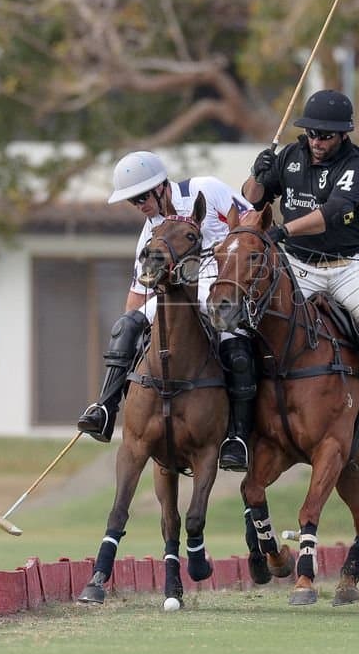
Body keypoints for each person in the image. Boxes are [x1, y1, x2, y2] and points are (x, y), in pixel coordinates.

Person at [242, 89, 359, 468]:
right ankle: (241, 429)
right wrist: (256, 174)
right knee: (249, 327)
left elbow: (334, 211)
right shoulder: (290, 156)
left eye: (326, 136)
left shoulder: (358, 165)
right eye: (312, 134)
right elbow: (253, 200)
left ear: (343, 135)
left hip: (353, 264)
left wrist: (285, 232)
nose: (317, 142)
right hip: (301, 264)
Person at [76, 151, 258, 472]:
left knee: (235, 342)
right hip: (176, 298)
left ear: (161, 187)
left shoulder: (205, 189)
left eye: (143, 196)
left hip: (225, 284)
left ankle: (238, 437)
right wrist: (132, 330)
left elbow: (252, 224)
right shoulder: (149, 234)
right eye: (133, 201)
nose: (140, 205)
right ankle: (105, 408)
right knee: (126, 324)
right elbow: (138, 292)